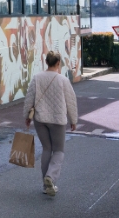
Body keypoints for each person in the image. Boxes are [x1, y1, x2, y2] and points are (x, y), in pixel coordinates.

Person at [23, 50, 78, 196]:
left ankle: (45, 185)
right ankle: (51, 177)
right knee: (58, 150)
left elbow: (29, 99)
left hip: (40, 119)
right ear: (58, 63)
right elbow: (71, 102)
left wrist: (26, 117)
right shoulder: (63, 80)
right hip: (58, 120)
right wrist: (74, 120)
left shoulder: (37, 78)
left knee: (47, 149)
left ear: (46, 62)